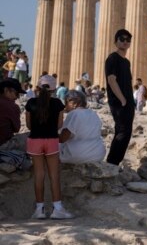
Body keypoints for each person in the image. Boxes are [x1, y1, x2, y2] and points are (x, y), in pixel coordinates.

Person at [25, 74, 74, 219]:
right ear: (53, 89)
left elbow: (28, 125)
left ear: (38, 88)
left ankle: (39, 210)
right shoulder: (58, 103)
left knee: (39, 175)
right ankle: (57, 208)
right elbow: (59, 125)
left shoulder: (31, 103)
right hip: (52, 140)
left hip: (34, 140)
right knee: (54, 175)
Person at [105, 29, 135, 166]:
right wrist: (122, 99)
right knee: (123, 132)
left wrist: (129, 101)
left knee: (124, 132)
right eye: (121, 39)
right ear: (115, 41)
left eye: (128, 39)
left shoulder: (127, 62)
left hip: (128, 101)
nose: (125, 42)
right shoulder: (113, 58)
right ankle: (112, 162)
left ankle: (113, 162)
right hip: (119, 101)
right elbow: (112, 80)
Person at [59, 90, 106, 164]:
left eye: (66, 103)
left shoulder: (74, 114)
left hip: (78, 155)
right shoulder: (93, 113)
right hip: (98, 154)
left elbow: (62, 138)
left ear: (73, 103)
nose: (65, 107)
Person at [0, 78, 24, 146]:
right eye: (17, 93)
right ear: (6, 90)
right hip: (3, 145)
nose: (17, 97)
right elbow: (16, 128)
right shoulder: (12, 106)